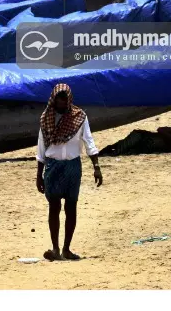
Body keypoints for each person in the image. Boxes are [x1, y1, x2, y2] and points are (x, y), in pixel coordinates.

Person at [36, 83, 102, 261]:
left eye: (64, 100)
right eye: (58, 100)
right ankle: (55, 249)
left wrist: (96, 167)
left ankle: (66, 249)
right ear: (54, 100)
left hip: (73, 167)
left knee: (71, 207)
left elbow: (89, 141)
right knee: (54, 207)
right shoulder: (46, 118)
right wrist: (38, 176)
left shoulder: (79, 117)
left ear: (69, 100)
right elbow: (41, 148)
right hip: (52, 167)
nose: (61, 103)